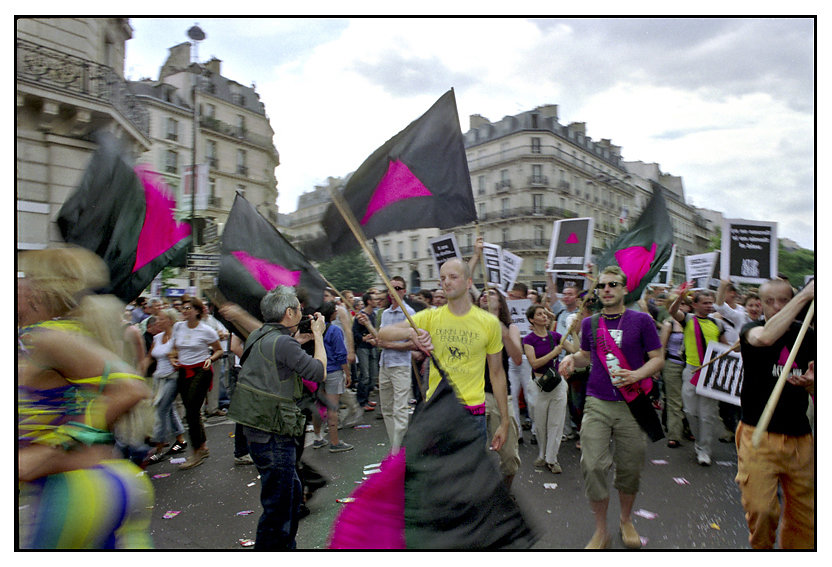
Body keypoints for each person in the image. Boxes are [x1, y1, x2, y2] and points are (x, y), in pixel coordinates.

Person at [18, 247, 154, 548]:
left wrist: (52, 450)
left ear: (38, 291)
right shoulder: (38, 338)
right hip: (92, 488)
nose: (16, 283)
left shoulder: (46, 337)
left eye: (23, 278)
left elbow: (130, 388)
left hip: (74, 492)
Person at [560, 266, 665, 549]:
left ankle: (626, 519)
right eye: (602, 286)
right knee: (592, 465)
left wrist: (637, 374)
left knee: (629, 468)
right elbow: (585, 356)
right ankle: (600, 530)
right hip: (597, 402)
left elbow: (657, 359)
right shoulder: (589, 324)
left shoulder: (641, 321)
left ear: (624, 289)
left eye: (612, 285)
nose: (606, 289)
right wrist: (572, 361)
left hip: (632, 405)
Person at [226, 285, 327, 550]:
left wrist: (299, 341)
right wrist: (318, 336)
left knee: (289, 497)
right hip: (274, 434)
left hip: (258, 430)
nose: (303, 313)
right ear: (290, 312)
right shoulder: (282, 342)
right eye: (299, 310)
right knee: (279, 510)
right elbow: (318, 372)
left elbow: (278, 362)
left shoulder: (260, 334)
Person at [379, 259, 510, 452]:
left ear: (468, 282)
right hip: (438, 412)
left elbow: (497, 374)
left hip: (472, 415)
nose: (446, 282)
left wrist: (505, 421)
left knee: (470, 478)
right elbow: (383, 333)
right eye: (442, 278)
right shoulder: (431, 317)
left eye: (453, 277)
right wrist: (410, 333)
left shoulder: (488, 323)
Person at [736, 279, 814, 549]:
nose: (777, 306)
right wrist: (805, 295)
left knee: (805, 519)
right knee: (763, 510)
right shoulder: (751, 330)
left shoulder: (810, 334)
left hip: (799, 440)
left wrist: (812, 383)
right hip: (758, 435)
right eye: (770, 301)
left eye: (784, 299)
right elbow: (766, 338)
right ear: (759, 303)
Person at [668, 288, 727, 466]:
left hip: (711, 373)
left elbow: (726, 348)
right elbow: (672, 311)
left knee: (707, 415)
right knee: (690, 412)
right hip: (691, 371)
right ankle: (698, 442)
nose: (709, 306)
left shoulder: (718, 324)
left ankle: (704, 450)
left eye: (711, 303)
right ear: (694, 305)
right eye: (705, 303)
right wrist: (680, 297)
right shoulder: (687, 319)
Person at [170, 296, 224, 470]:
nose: (184, 311)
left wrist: (210, 358)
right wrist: (173, 358)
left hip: (201, 370)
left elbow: (219, 350)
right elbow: (174, 348)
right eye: (183, 308)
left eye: (188, 308)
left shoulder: (206, 330)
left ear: (197, 311)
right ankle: (202, 446)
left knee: (192, 411)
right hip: (183, 371)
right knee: (191, 411)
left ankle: (197, 451)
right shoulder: (178, 327)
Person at [479, 288, 523, 488]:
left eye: (490, 292)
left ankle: (506, 490)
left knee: (510, 457)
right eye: (481, 293)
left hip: (500, 397)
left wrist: (502, 332)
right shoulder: (471, 325)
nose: (484, 295)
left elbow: (517, 358)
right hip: (474, 395)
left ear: (501, 301)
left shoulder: (509, 327)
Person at [523, 303, 575, 474]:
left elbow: (576, 350)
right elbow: (534, 363)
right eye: (539, 314)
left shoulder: (556, 336)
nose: (544, 316)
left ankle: (552, 459)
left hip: (557, 384)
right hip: (538, 386)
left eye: (545, 314)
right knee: (540, 424)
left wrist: (573, 331)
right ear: (532, 319)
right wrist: (554, 353)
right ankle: (542, 454)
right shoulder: (529, 340)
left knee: (556, 423)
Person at [139, 308, 188, 465]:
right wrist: (139, 371)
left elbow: (183, 356)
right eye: (157, 319)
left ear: (170, 321)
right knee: (169, 408)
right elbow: (149, 357)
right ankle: (180, 439)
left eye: (161, 319)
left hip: (172, 377)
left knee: (161, 408)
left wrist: (175, 360)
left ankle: (159, 448)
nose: (158, 322)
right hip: (158, 377)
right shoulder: (158, 337)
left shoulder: (178, 337)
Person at [376, 276, 417, 453]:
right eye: (390, 289)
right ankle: (396, 446)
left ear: (404, 291)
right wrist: (376, 340)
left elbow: (414, 344)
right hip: (384, 364)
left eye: (398, 288)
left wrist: (390, 345)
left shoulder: (410, 313)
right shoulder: (385, 314)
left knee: (400, 409)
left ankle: (397, 452)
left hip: (401, 366)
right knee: (386, 408)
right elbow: (382, 339)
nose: (394, 292)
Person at [318, 301, 353, 453]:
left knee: (319, 406)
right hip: (333, 371)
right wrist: (347, 373)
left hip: (318, 371)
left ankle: (318, 437)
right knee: (333, 408)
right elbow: (341, 354)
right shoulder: (335, 330)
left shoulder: (316, 329)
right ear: (332, 313)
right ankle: (335, 441)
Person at [659, 294, 688, 449]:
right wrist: (658, 368)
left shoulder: (692, 322)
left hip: (690, 366)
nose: (682, 306)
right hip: (672, 365)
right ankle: (674, 435)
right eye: (679, 304)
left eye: (684, 303)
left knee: (688, 401)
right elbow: (662, 347)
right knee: (674, 401)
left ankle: (688, 428)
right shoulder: (669, 324)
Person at [555, 283, 580, 441]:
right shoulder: (560, 312)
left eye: (570, 293)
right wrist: (549, 275)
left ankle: (580, 430)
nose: (566, 296)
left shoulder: (581, 314)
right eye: (564, 293)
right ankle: (566, 430)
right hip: (560, 360)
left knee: (576, 399)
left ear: (577, 297)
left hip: (577, 361)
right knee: (562, 397)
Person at [354, 291, 380, 411]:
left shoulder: (373, 315)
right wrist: (363, 338)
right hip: (363, 348)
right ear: (369, 301)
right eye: (374, 299)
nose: (377, 301)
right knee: (365, 375)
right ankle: (361, 401)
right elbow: (355, 333)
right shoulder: (360, 316)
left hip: (373, 348)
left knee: (373, 376)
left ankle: (367, 398)